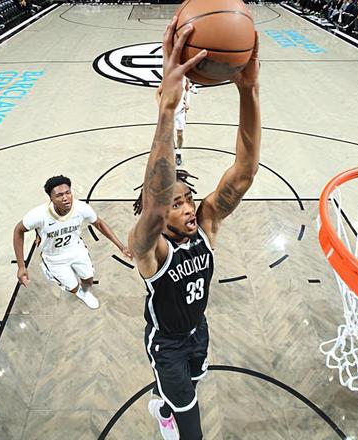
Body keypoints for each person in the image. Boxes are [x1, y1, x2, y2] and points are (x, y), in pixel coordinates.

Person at [128, 17, 260, 440]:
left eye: (189, 199)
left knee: (193, 382)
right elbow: (154, 206)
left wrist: (248, 90)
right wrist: (166, 111)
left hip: (198, 331)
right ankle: (167, 410)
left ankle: (164, 400)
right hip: (166, 344)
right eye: (177, 203)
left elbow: (244, 172)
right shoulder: (150, 250)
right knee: (191, 426)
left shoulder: (205, 225)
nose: (188, 208)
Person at [13, 175, 132, 309]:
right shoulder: (38, 215)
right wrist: (21, 266)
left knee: (88, 278)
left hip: (76, 250)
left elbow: (99, 224)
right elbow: (18, 231)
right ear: (51, 198)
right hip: (54, 258)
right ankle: (78, 292)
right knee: (72, 286)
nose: (65, 198)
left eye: (68, 193)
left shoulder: (81, 208)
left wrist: (121, 247)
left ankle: (85, 293)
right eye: (59, 195)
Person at [156, 77, 195, 167]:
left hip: (180, 112)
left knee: (180, 134)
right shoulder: (167, 78)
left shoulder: (185, 78)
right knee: (168, 135)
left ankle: (178, 153)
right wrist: (161, 107)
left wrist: (187, 102)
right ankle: (170, 153)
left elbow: (187, 90)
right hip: (169, 112)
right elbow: (158, 93)